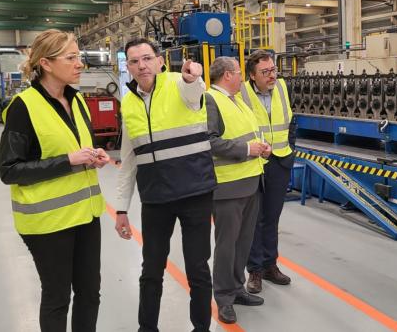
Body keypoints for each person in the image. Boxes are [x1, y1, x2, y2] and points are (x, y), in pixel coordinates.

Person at [0, 29, 109, 332]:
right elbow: (9, 170)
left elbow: (74, 147)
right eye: (71, 58)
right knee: (58, 298)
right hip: (47, 222)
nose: (79, 64)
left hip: (86, 215)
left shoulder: (78, 100)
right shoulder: (24, 106)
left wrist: (93, 155)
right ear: (46, 63)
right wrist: (68, 161)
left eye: (79, 57)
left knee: (90, 294)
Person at [114, 38, 215, 332]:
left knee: (197, 268)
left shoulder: (179, 83)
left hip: (195, 193)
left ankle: (201, 328)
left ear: (160, 60)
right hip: (156, 199)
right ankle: (147, 328)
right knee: (151, 269)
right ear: (129, 67)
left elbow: (195, 92)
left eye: (147, 58)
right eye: (134, 61)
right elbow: (128, 160)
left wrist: (193, 77)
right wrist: (121, 209)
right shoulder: (129, 102)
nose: (141, 66)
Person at [204, 56, 270, 324]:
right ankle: (223, 298)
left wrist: (261, 148)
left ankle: (236, 288)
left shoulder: (237, 100)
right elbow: (208, 140)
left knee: (242, 243)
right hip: (228, 186)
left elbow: (246, 134)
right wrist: (246, 150)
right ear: (228, 74)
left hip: (251, 181)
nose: (242, 77)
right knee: (227, 246)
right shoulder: (211, 100)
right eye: (240, 73)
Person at [239, 50, 295, 294]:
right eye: (265, 72)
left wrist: (290, 149)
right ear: (252, 75)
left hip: (280, 161)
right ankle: (255, 270)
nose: (272, 75)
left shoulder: (283, 87)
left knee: (272, 218)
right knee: (254, 220)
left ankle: (271, 265)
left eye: (273, 70)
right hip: (254, 164)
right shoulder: (241, 93)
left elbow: (292, 121)